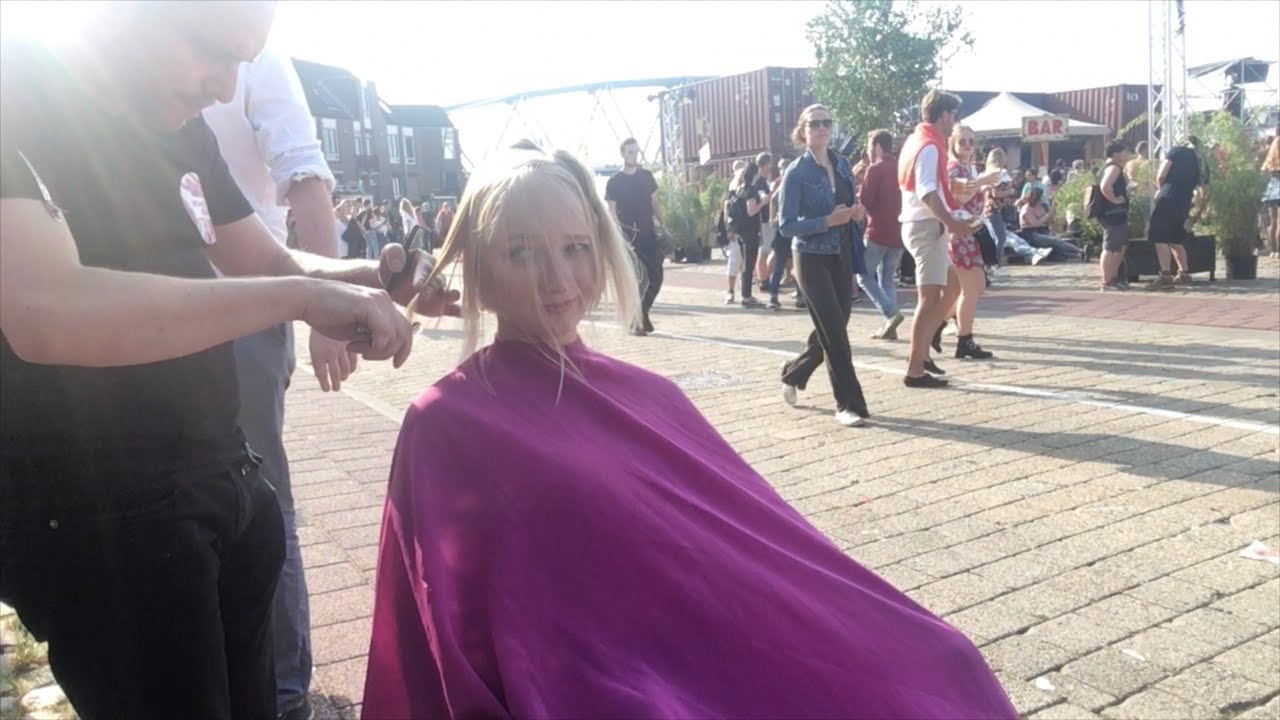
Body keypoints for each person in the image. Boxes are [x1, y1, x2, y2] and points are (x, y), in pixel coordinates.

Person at [361, 139, 1016, 720]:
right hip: (587, 679)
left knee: (938, 662)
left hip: (695, 646)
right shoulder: (446, 424)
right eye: (520, 253)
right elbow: (437, 638)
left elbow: (761, 552)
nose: (557, 279)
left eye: (575, 248)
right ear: (479, 265)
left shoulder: (652, 394)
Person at [0, 3, 458, 718]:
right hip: (106, 516)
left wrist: (376, 278)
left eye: (245, 61)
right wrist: (300, 299)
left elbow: (265, 259)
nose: (223, 88)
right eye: (215, 53)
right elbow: (45, 313)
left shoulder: (181, 124)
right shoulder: (18, 83)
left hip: (222, 481)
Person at [202, 40, 358, 720]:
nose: (221, 80)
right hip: (168, 302)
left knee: (261, 497)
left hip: (242, 302)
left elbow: (304, 177)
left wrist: (328, 309)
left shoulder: (252, 59)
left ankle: (285, 690)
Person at [777, 104, 870, 427]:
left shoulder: (842, 164)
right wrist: (825, 221)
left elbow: (851, 202)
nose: (821, 128)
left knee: (835, 326)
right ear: (803, 131)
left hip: (841, 252)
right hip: (810, 256)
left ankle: (794, 372)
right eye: (814, 123)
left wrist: (856, 212)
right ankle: (848, 404)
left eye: (826, 122)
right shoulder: (796, 172)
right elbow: (786, 225)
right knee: (835, 333)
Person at [898, 89, 974, 388]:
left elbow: (929, 186)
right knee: (929, 299)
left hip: (923, 224)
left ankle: (924, 350)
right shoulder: (930, 146)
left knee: (953, 284)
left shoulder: (919, 139)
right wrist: (952, 221)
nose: (954, 121)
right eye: (953, 115)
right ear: (944, 115)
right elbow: (927, 190)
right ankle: (915, 368)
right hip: (926, 226)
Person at [944, 125, 998, 360]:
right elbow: (958, 196)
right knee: (972, 287)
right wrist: (983, 181)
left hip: (971, 230)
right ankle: (964, 339)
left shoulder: (969, 168)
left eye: (971, 141)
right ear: (953, 144)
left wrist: (984, 182)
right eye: (962, 140)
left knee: (968, 288)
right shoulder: (953, 167)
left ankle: (935, 326)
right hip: (959, 232)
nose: (967, 145)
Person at [606, 137, 664, 332]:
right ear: (623, 154)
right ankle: (637, 321)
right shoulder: (614, 182)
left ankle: (642, 312)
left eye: (636, 151)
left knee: (657, 277)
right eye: (630, 151)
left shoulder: (646, 176)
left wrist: (663, 225)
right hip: (628, 238)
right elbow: (612, 212)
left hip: (648, 234)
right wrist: (617, 236)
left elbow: (654, 202)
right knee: (639, 279)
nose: (634, 155)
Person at [858, 129, 906, 340]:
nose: (868, 152)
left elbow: (866, 201)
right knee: (887, 279)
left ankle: (891, 313)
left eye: (869, 147)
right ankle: (890, 328)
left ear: (877, 146)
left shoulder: (875, 169)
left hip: (877, 231)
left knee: (863, 276)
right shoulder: (900, 168)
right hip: (898, 232)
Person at [1146, 135, 1210, 290]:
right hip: (1185, 200)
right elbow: (1205, 189)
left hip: (1168, 196)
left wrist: (1160, 189)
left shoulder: (1176, 152)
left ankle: (1166, 274)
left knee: (1159, 236)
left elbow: (1161, 174)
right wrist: (1199, 209)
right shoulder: (1201, 161)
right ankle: (1184, 272)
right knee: (1176, 238)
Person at [725, 161, 768, 309]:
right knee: (749, 265)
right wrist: (762, 203)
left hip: (741, 231)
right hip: (750, 232)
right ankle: (747, 296)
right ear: (755, 174)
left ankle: (746, 294)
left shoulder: (739, 189)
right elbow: (751, 211)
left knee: (745, 264)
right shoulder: (751, 190)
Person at [1098, 140, 1134, 290]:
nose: (1127, 154)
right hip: (1113, 212)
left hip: (1113, 212)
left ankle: (1112, 277)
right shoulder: (1114, 168)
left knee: (1119, 246)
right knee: (1112, 247)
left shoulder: (1108, 167)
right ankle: (1107, 281)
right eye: (1125, 151)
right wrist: (1115, 199)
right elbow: (1105, 186)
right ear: (1116, 153)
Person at [1259, 136, 1279, 259]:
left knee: (1274, 222)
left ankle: (1273, 250)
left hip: (1271, 192)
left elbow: (1263, 174)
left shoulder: (1270, 160)